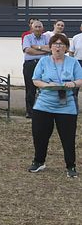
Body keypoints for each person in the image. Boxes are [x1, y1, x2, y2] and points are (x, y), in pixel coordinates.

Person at [28, 33, 82, 177]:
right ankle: (39, 161)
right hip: (44, 104)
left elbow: (80, 79)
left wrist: (73, 83)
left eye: (61, 44)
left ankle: (71, 166)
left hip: (66, 105)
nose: (58, 47)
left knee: (68, 137)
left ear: (66, 48)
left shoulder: (73, 62)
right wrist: (46, 85)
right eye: (55, 44)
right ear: (50, 47)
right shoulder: (43, 61)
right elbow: (35, 80)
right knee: (40, 135)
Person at [22, 20, 49, 119]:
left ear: (42, 28)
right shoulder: (27, 37)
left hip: (43, 65)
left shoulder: (46, 37)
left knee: (44, 88)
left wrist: (36, 47)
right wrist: (43, 51)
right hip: (30, 65)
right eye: (36, 27)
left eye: (39, 27)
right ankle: (30, 112)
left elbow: (50, 49)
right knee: (30, 89)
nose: (38, 29)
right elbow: (28, 50)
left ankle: (43, 110)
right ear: (32, 28)